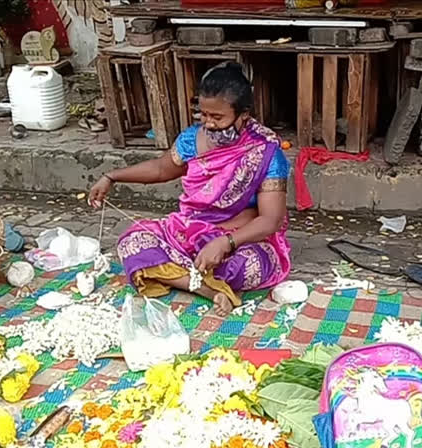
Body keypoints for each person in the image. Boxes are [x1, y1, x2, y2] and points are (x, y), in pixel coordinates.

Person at [89, 62, 291, 317]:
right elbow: (161, 169)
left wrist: (225, 242)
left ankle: (191, 277)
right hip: (190, 232)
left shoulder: (266, 152)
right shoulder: (191, 139)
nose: (209, 124)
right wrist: (112, 176)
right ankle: (209, 290)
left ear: (243, 115)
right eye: (204, 115)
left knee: (247, 266)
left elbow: (271, 220)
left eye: (218, 117)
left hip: (242, 238)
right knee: (132, 243)